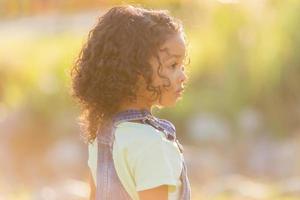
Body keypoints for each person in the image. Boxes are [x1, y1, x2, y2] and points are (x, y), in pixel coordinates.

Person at [70, 5, 191, 200]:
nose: (183, 76)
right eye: (173, 65)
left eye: (182, 65)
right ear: (136, 72)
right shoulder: (153, 144)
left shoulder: (102, 134)